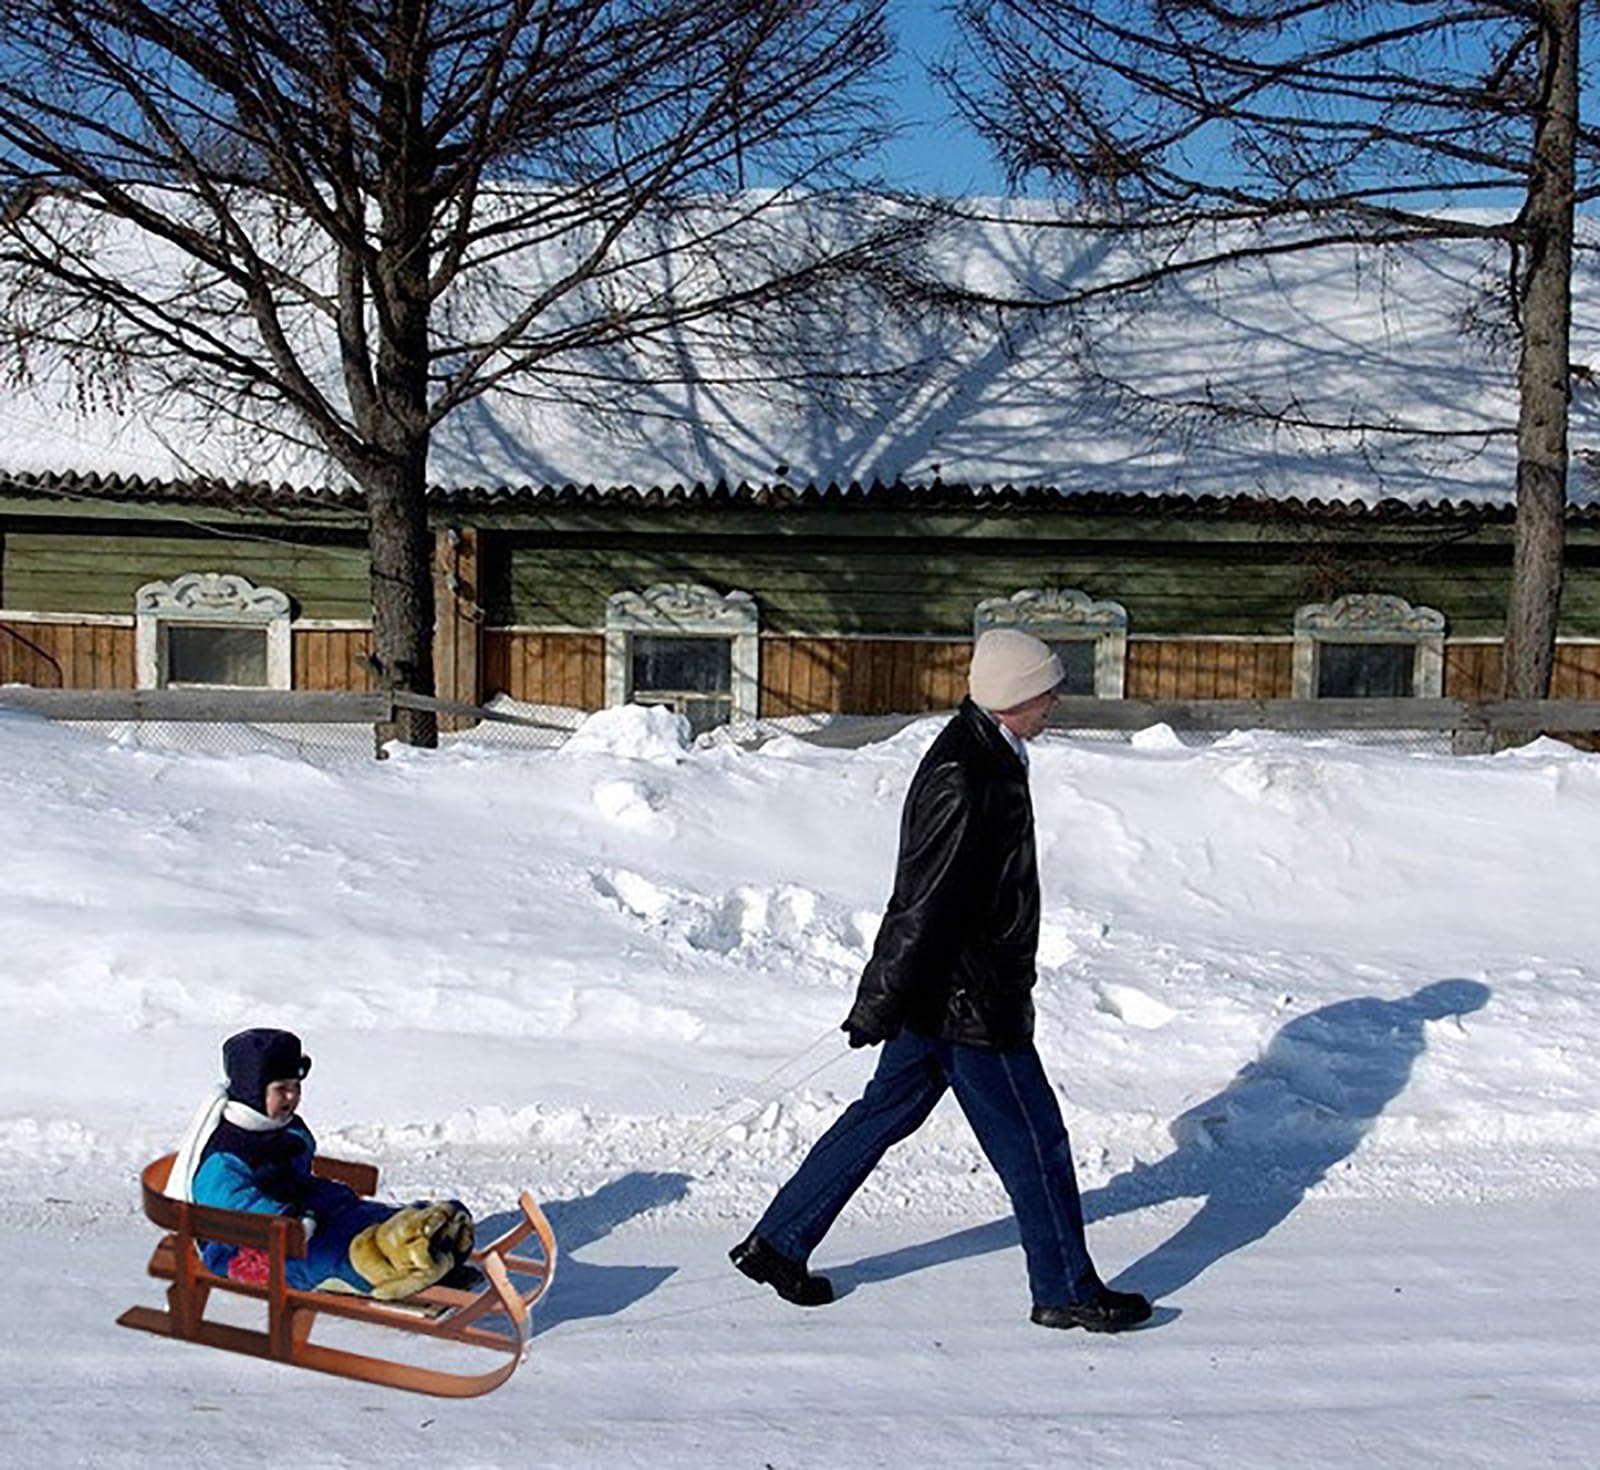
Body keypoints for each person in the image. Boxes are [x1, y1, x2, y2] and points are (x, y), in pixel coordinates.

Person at [731, 628, 1152, 1333]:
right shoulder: (969, 772)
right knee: (1035, 1140)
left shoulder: (989, 753)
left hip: (945, 994)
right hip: (970, 1002)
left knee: (882, 1114)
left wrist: (896, 997)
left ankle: (778, 1242)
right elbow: (924, 900)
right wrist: (878, 1000)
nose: (1055, 701)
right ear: (1015, 696)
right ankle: (1065, 1287)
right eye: (1047, 689)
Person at [169, 1027, 475, 1299]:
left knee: (361, 1216)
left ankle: (425, 1234)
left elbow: (297, 1174)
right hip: (247, 1243)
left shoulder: (283, 1127)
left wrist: (319, 1202)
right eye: (281, 1089)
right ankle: (393, 1263)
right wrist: (288, 1221)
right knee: (331, 1254)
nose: (292, 1096)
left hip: (302, 1213)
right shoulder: (225, 1154)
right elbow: (231, 1205)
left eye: (296, 1086)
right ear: (251, 1091)